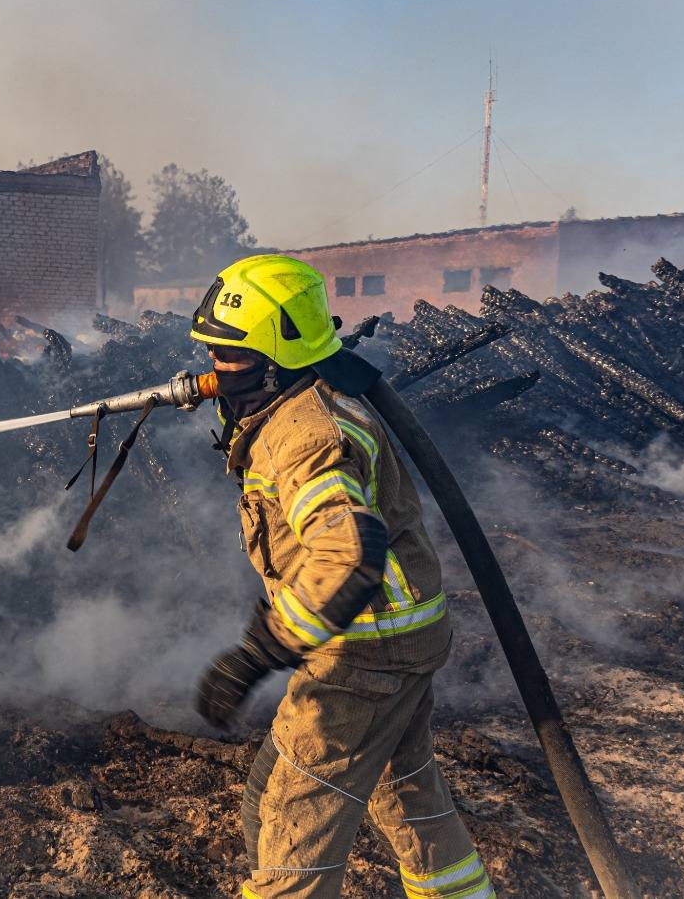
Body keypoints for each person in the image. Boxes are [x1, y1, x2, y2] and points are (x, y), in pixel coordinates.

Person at [189, 255, 494, 899]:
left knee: (287, 827)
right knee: (410, 798)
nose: (213, 371)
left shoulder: (304, 438)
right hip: (398, 641)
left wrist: (256, 655)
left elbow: (349, 554)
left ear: (276, 359)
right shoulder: (305, 402)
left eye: (228, 356)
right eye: (211, 352)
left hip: (362, 655)